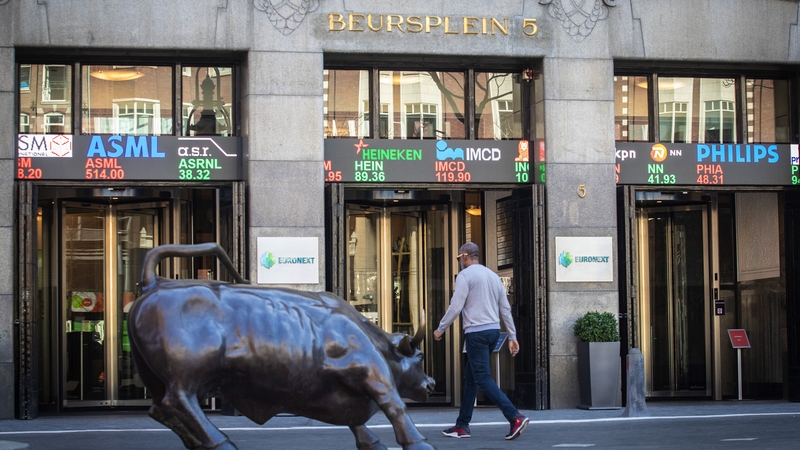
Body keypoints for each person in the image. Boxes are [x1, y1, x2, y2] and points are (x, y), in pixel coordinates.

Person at [434, 242, 530, 440]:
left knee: (483, 378)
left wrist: (440, 328)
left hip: (476, 333)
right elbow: (505, 308)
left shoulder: (465, 276)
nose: (460, 262)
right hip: (493, 331)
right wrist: (512, 335)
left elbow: (456, 306)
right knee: (471, 379)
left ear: (465, 257)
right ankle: (462, 425)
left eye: (460, 258)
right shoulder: (493, 276)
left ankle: (515, 417)